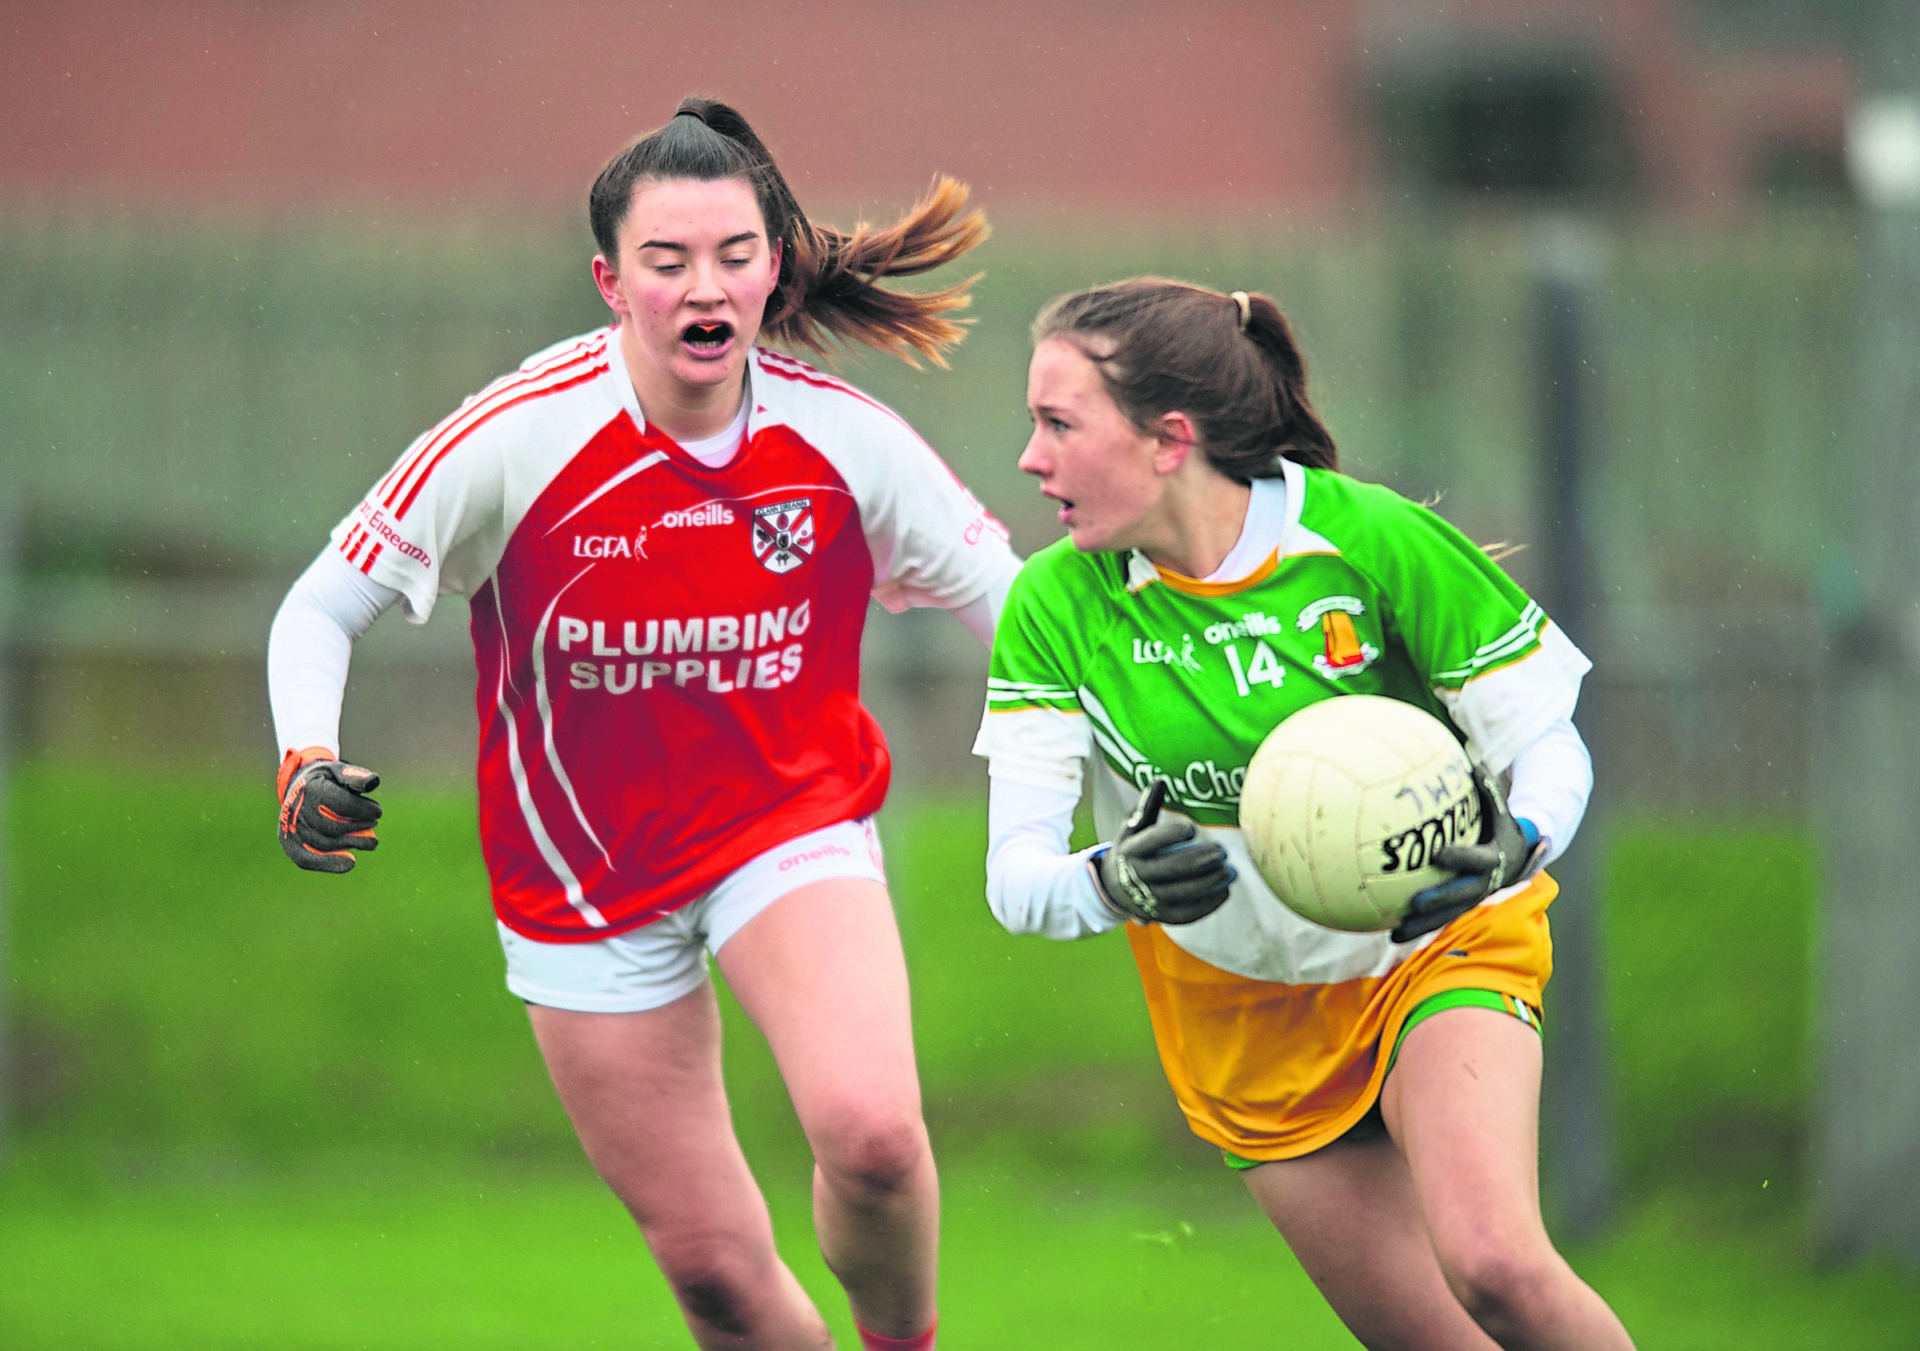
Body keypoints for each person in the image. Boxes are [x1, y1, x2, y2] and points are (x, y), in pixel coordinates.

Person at [267, 98, 1018, 1351]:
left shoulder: (844, 439)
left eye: (733, 254)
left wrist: (1145, 741)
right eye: (667, 262)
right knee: (717, 1277)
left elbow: (1020, 612)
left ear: (772, 266)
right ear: (613, 282)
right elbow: (315, 610)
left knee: (875, 1136)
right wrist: (305, 755)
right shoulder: (515, 435)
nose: (703, 286)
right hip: (581, 875)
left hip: (788, 823)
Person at [974, 278, 1635, 1350]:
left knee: (1502, 1271)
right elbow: (1016, 880)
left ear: (1167, 439)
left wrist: (1526, 834)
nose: (1029, 458)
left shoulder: (1372, 539)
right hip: (1243, 1017)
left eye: (1058, 423)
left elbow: (1547, 739)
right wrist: (1111, 880)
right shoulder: (1055, 605)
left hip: (1433, 946)